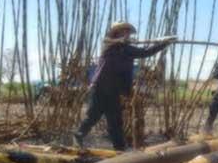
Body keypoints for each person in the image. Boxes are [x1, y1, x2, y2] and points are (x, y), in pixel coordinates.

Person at [74, 22, 175, 150]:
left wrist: (163, 44)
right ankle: (78, 136)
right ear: (117, 32)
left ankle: (119, 148)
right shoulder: (109, 45)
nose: (127, 34)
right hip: (100, 87)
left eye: (128, 32)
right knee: (93, 116)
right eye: (124, 31)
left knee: (115, 121)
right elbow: (108, 41)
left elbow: (146, 52)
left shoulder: (128, 49)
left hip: (114, 90)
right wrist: (121, 41)